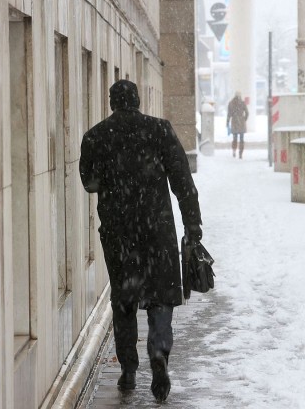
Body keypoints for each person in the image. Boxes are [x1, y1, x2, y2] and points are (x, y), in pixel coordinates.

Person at [79, 80, 203, 402]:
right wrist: (192, 223)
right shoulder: (159, 130)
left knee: (124, 300)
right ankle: (159, 355)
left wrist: (115, 178)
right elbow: (182, 180)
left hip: (120, 233)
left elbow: (88, 182)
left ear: (112, 103)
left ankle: (129, 369)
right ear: (137, 100)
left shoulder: (95, 136)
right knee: (160, 296)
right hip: (157, 230)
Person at [226, 91, 249, 159]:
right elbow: (247, 113)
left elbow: (229, 114)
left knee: (234, 138)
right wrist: (244, 119)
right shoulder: (242, 103)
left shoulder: (231, 103)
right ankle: (240, 153)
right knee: (241, 139)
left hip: (234, 122)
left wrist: (227, 122)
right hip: (241, 123)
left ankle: (234, 150)